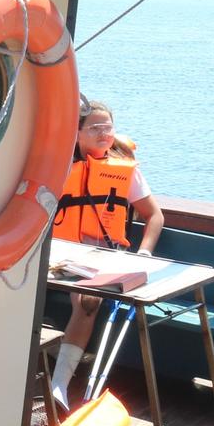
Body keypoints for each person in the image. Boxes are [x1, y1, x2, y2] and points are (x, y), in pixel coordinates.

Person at [50, 99, 166, 410]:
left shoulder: (124, 170)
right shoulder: (58, 165)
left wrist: (144, 252)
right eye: (95, 128)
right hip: (56, 253)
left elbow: (155, 216)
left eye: (108, 128)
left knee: (89, 300)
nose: (104, 134)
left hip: (99, 257)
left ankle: (58, 384)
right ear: (77, 133)